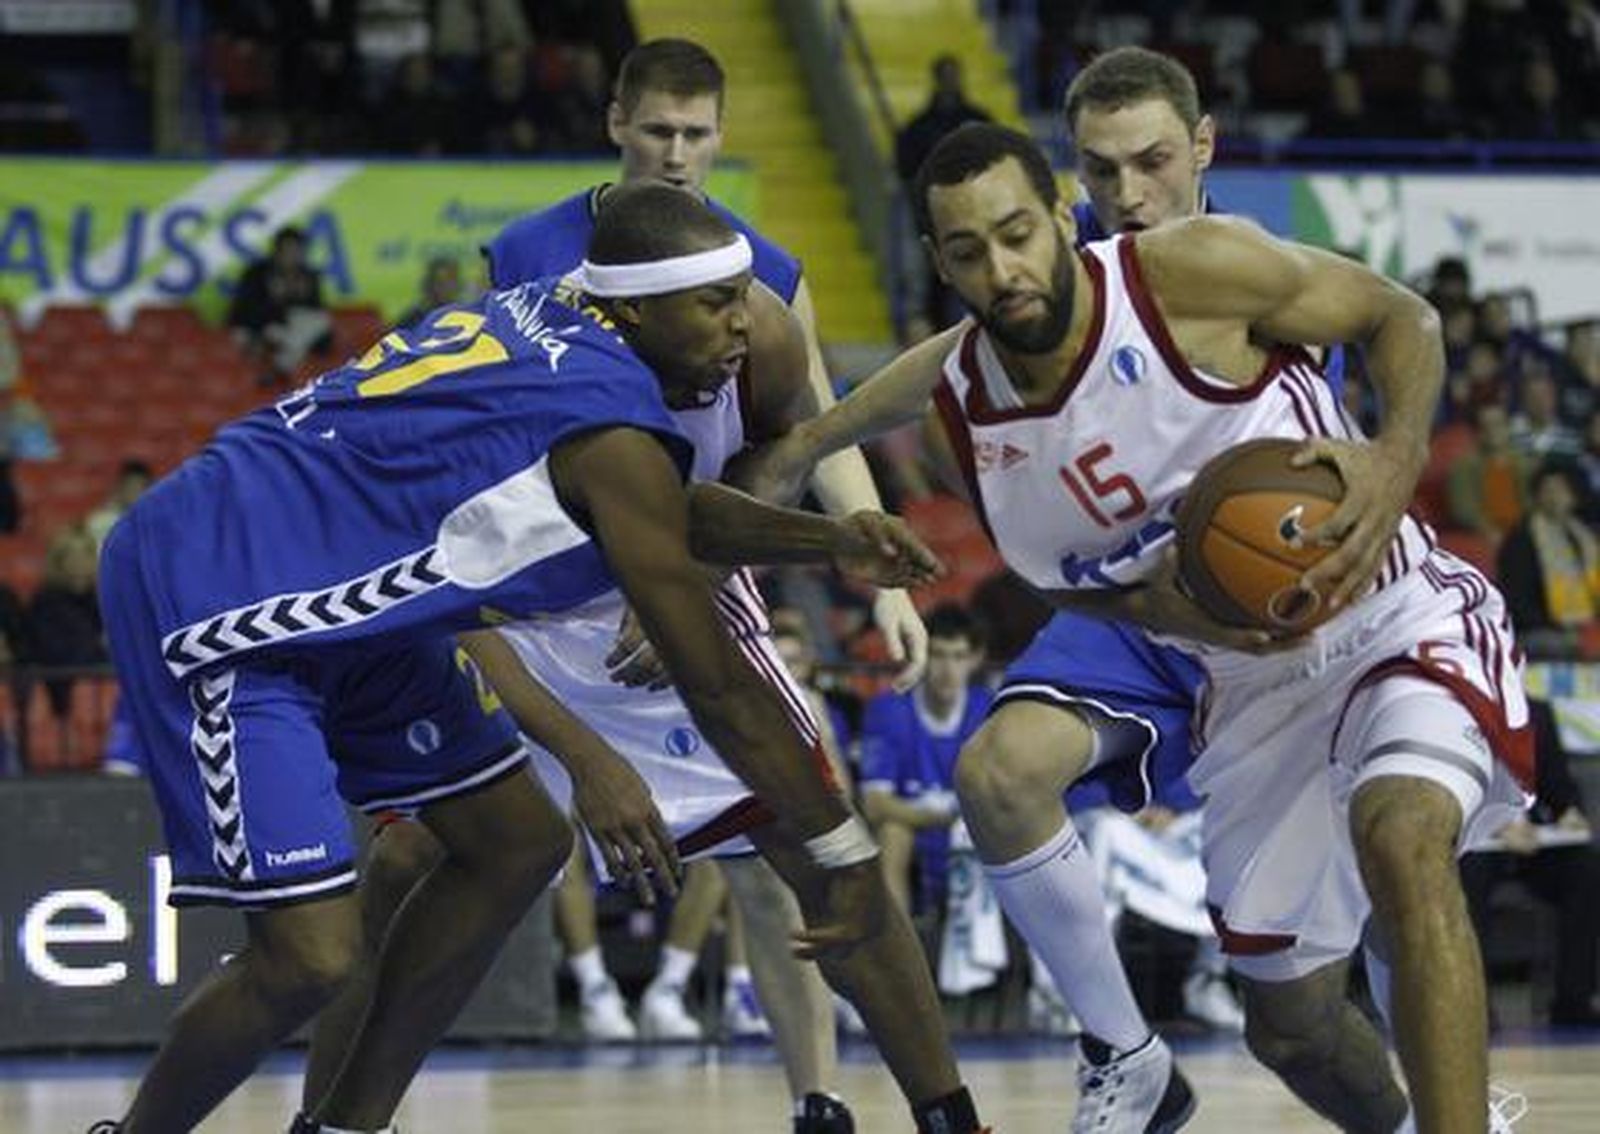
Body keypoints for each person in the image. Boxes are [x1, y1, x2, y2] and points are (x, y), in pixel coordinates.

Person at [90, 186, 970, 1134]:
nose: (740, 329)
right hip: (221, 598)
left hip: (350, 606)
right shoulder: (603, 418)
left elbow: (660, 504)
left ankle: (343, 1127)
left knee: (517, 843)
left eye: (740, 298)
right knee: (309, 958)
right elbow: (713, 677)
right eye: (715, 306)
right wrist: (839, 850)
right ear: (636, 309)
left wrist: (826, 540)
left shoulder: (556, 307)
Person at [755, 121, 1534, 1134]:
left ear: (1059, 221)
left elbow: (1404, 319)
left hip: (1392, 613)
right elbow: (1064, 579)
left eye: (1018, 233)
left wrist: (1392, 466)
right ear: (939, 264)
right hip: (1248, 690)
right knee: (1290, 1032)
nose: (1001, 269)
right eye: (965, 252)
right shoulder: (966, 429)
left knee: (1401, 840)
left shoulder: (1189, 271)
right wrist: (1149, 607)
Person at [746, 46, 1236, 1132]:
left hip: (1260, 615)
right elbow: (948, 357)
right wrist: (813, 443)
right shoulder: (1069, 277)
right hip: (1130, 609)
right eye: (1099, 175)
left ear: (1201, 150)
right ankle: (1126, 1053)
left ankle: (1438, 1097)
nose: (1126, 195)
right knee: (998, 774)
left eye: (1149, 164)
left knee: (1358, 913)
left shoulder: (1261, 279)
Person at [473, 35, 926, 1109]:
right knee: (451, 850)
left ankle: (819, 1100)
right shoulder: (524, 251)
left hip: (698, 569)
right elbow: (497, 431)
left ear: (720, 137)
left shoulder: (765, 270)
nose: (676, 155)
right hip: (551, 585)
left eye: (696, 135)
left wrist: (885, 568)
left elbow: (810, 433)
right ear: (616, 125)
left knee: (794, 856)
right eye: (657, 131)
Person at [1460, 698, 1600, 1029]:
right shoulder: (1457, 711)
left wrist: (1570, 811)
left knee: (1585, 868)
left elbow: (1559, 783)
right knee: (1469, 874)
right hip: (1477, 839)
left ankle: (1573, 1000)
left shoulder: (1536, 712)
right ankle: (1474, 1006)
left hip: (1534, 840)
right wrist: (1494, 822)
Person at [859, 603, 992, 917]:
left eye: (958, 656)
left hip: (975, 836)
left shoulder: (990, 710)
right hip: (919, 835)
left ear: (975, 659)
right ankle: (901, 956)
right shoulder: (887, 709)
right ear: (920, 653)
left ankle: (1011, 958)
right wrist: (950, 817)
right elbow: (876, 805)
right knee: (892, 833)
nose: (947, 670)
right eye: (938, 654)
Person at [1496, 462, 1600, 660]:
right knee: (1563, 646)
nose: (1554, 497)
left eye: (1561, 490)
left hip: (1585, 626)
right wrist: (1561, 627)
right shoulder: (1522, 538)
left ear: (1574, 496)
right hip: (1538, 629)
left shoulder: (1586, 538)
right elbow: (1518, 602)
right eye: (1547, 490)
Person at [227, 226, 333, 386]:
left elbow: (317, 319)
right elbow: (240, 313)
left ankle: (279, 365)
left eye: (298, 251)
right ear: (276, 251)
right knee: (268, 334)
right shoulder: (257, 273)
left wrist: (297, 297)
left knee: (319, 321)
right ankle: (281, 362)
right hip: (258, 328)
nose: (293, 256)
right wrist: (275, 300)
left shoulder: (308, 276)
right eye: (288, 250)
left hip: (288, 334)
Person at [85, 458, 154, 552]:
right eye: (131, 486)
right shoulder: (99, 522)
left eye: (140, 487)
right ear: (120, 488)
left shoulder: (155, 523)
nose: (135, 493)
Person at [396, 256, 465, 331]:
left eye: (451, 280)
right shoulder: (412, 320)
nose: (446, 287)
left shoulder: (467, 317)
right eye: (440, 282)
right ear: (428, 284)